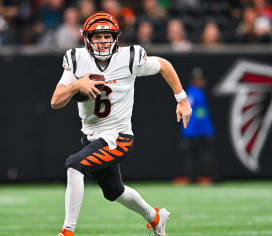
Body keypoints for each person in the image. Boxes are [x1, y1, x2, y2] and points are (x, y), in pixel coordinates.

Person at [51, 12, 192, 236]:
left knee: (74, 164)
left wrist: (182, 99)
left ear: (115, 37)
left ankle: (67, 232)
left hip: (119, 138)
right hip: (92, 136)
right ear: (87, 39)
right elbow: (56, 101)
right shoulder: (77, 60)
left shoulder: (129, 58)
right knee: (114, 191)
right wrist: (77, 84)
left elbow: (164, 65)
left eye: (107, 36)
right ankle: (156, 218)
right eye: (97, 37)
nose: (103, 41)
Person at [177, 67, 219, 184]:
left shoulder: (187, 93)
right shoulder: (199, 94)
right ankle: (212, 178)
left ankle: (192, 179)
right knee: (205, 155)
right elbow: (201, 114)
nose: (202, 81)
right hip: (199, 131)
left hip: (189, 131)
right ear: (194, 81)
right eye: (199, 79)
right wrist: (208, 130)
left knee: (191, 156)